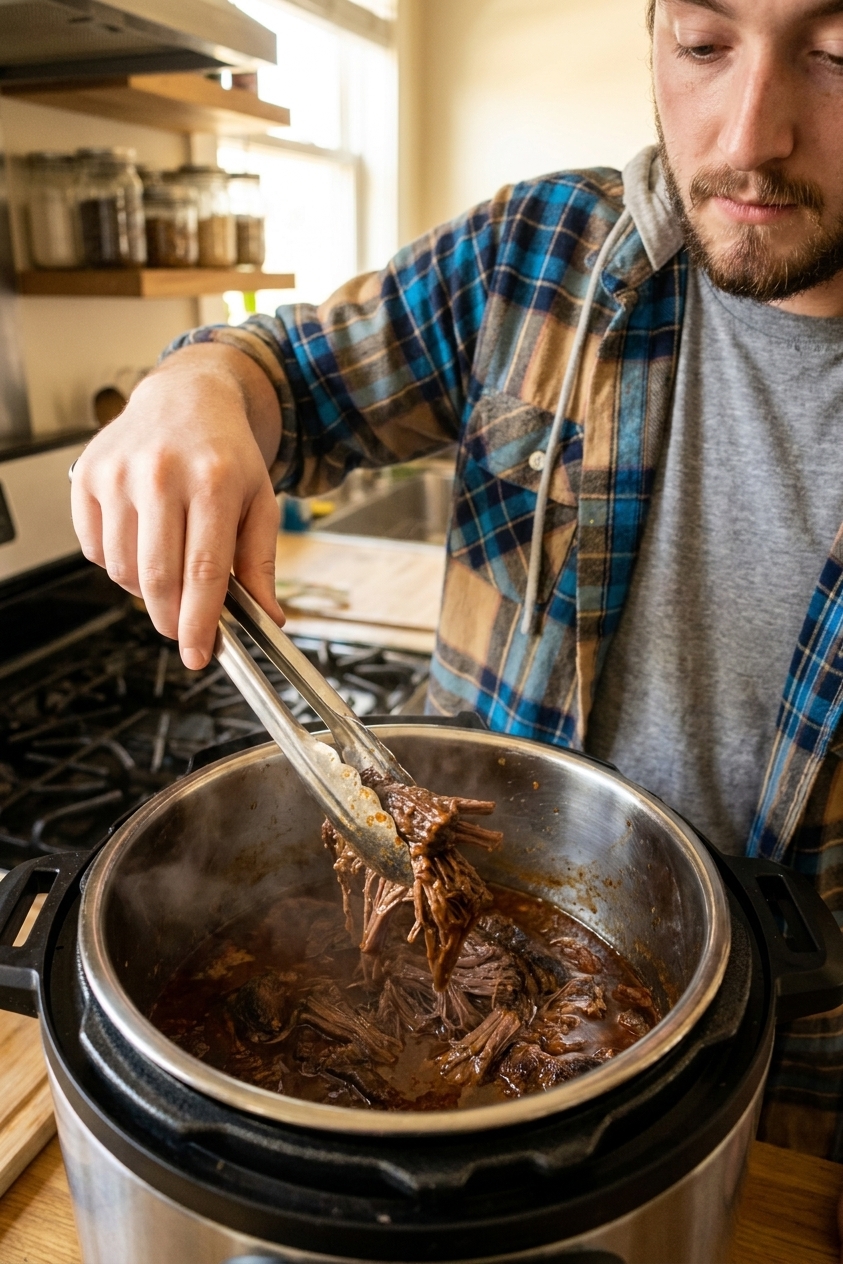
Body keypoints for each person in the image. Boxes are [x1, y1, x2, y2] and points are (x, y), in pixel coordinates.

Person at [71, 0, 843, 1168]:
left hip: (806, 1099)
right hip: (441, 994)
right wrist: (202, 385)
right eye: (702, 42)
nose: (750, 134)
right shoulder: (538, 256)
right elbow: (286, 374)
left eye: (840, 57)